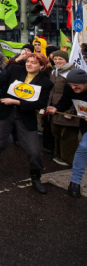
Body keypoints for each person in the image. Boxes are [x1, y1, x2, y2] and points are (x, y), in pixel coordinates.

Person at [0, 53, 53, 194]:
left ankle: (36, 178)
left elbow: (40, 103)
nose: (29, 64)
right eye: (28, 61)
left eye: (33, 63)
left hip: (25, 117)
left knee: (33, 150)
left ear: (41, 66)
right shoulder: (14, 70)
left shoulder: (46, 83)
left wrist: (16, 102)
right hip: (4, 113)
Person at [47, 68, 87, 198]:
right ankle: (75, 182)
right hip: (85, 125)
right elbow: (65, 102)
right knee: (83, 148)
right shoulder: (69, 88)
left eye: (77, 85)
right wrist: (56, 107)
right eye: (71, 85)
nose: (73, 88)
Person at [46, 50, 79, 166]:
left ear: (66, 59)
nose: (57, 61)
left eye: (61, 59)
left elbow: (75, 92)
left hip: (67, 107)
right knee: (57, 132)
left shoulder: (72, 72)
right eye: (55, 58)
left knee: (68, 135)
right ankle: (60, 155)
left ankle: (69, 159)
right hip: (55, 106)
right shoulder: (54, 70)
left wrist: (71, 109)